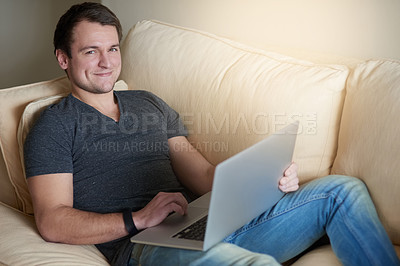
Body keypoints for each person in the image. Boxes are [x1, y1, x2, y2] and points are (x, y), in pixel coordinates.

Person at [24, 2, 399, 266]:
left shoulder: (148, 103)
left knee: (342, 189)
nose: (106, 62)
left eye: (113, 49)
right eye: (91, 51)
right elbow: (52, 220)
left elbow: (203, 176)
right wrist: (138, 218)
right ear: (64, 58)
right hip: (144, 249)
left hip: (203, 223)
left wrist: (266, 177)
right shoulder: (53, 124)